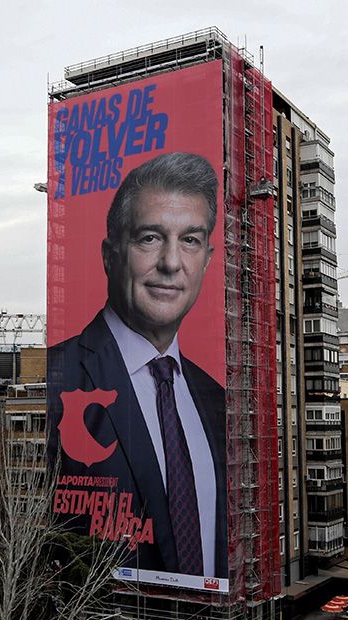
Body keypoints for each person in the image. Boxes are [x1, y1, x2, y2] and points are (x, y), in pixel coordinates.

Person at [48, 152, 227, 580]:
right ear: (111, 255)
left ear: (207, 258)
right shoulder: (62, 376)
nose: (170, 263)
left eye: (190, 240)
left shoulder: (217, 400)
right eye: (149, 238)